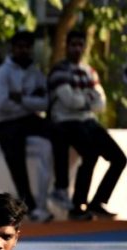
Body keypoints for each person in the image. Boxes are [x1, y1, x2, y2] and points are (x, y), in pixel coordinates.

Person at [49, 29, 125, 220]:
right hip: (67, 123)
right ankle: (77, 206)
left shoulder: (88, 71)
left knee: (119, 158)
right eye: (73, 44)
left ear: (84, 47)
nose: (76, 48)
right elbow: (69, 101)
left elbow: (101, 103)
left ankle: (97, 202)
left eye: (80, 44)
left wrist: (83, 99)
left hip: (88, 122)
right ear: (66, 46)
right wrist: (89, 98)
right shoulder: (59, 71)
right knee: (90, 154)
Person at [0, 31, 60, 222]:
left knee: (55, 137)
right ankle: (30, 205)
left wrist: (20, 98)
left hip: (28, 119)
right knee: (16, 158)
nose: (23, 50)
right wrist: (31, 100)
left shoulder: (35, 72)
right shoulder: (2, 72)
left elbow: (45, 103)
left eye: (27, 47)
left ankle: (54, 195)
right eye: (19, 46)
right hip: (4, 122)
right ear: (13, 48)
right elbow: (1, 104)